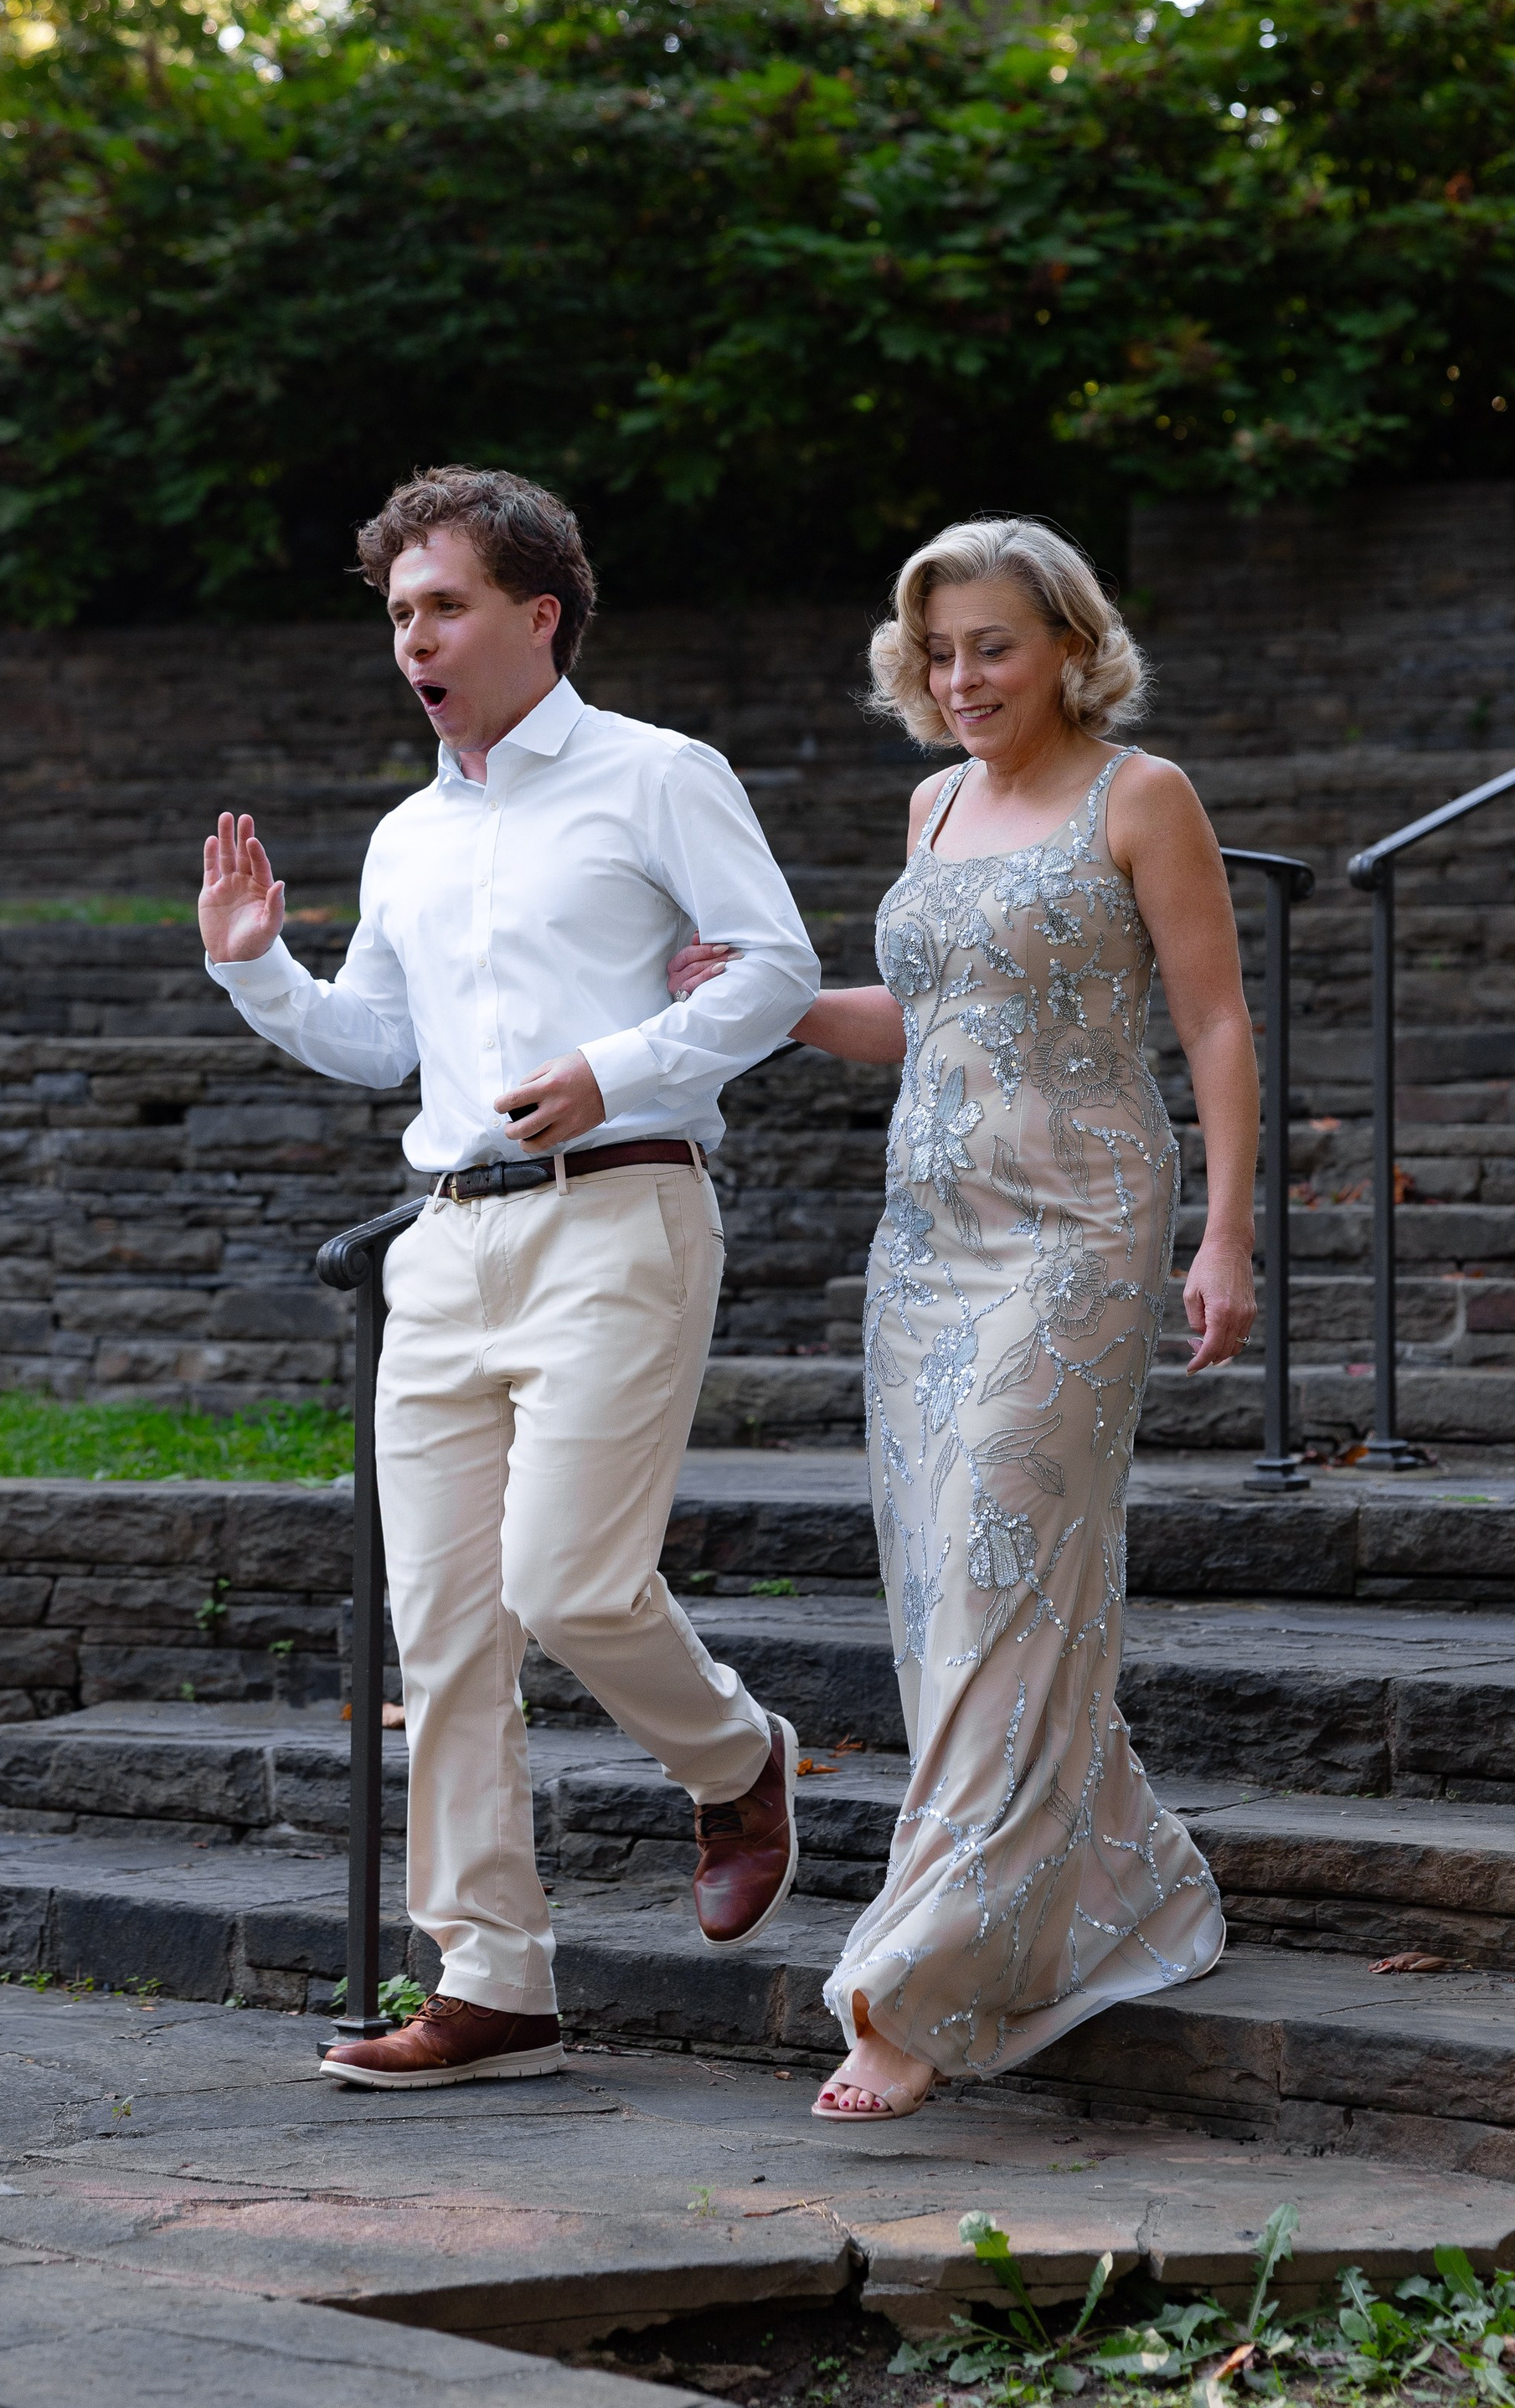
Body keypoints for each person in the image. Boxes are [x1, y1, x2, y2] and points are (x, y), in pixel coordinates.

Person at [198, 466, 821, 2092]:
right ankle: (495, 1980)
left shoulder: (654, 775)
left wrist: (616, 1066)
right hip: (444, 1246)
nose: (415, 635)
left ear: (536, 615)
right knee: (444, 1633)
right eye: (398, 610)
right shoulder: (410, 830)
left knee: (569, 1586)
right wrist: (257, 964)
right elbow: (381, 1043)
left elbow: (774, 966)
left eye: (445, 604)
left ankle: (735, 1754)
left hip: (617, 1214)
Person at [669, 516, 1255, 2122]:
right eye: (938, 652)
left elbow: (1210, 1017)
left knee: (1003, 1547)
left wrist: (1227, 1235)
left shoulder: (1144, 795)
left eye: (992, 643)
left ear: (1069, 642)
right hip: (926, 1249)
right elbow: (919, 1023)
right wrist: (756, 997)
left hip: (1081, 1232)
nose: (962, 675)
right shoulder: (932, 801)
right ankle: (1114, 1875)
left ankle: (915, 1979)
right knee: (954, 1594)